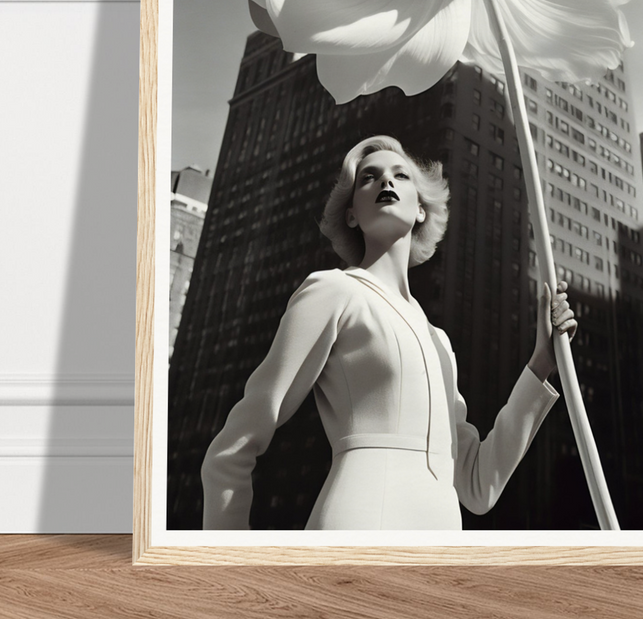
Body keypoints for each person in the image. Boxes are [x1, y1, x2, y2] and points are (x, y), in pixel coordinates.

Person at [201, 134, 576, 529]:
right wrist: (231, 565)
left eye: (401, 175)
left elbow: (478, 487)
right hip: (358, 525)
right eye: (369, 177)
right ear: (351, 214)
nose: (386, 182)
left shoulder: (438, 340)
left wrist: (541, 363)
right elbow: (232, 451)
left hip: (442, 548)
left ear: (421, 210)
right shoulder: (334, 290)